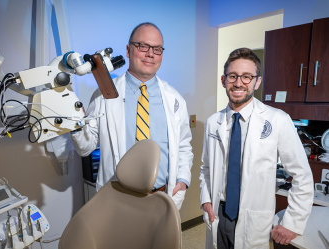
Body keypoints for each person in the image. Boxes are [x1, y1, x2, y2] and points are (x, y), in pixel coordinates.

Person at [70, 22, 193, 210]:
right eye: (143, 46)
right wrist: (74, 123)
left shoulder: (175, 99)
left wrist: (183, 180)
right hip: (119, 198)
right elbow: (85, 147)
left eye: (157, 49)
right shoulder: (103, 94)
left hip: (162, 197)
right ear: (128, 50)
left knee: (160, 241)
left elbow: (184, 145)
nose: (150, 54)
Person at [199, 48, 313, 249]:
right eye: (233, 76)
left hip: (254, 219)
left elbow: (302, 175)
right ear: (223, 80)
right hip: (218, 212)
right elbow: (206, 168)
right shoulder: (212, 122)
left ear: (257, 82)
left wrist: (292, 222)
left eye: (247, 77)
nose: (239, 83)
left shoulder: (278, 120)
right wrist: (206, 200)